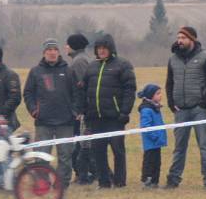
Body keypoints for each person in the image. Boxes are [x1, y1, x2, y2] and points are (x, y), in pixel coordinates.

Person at [76, 34, 136, 188]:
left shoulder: (123, 65)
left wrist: (124, 112)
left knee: (118, 151)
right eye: (99, 48)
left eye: (104, 48)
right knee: (98, 152)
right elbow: (83, 89)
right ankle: (104, 182)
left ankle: (120, 182)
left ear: (111, 49)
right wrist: (83, 109)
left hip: (115, 118)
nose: (101, 51)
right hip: (95, 118)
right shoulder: (91, 67)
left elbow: (130, 90)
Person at [164, 26, 206, 188]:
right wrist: (172, 104)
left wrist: (204, 103)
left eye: (184, 38)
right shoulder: (173, 59)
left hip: (199, 109)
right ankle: (173, 179)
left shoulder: (205, 57)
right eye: (179, 37)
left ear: (192, 39)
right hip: (181, 110)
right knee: (179, 147)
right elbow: (169, 83)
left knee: (204, 145)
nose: (180, 40)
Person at [23, 39, 76, 188]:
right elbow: (28, 93)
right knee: (41, 156)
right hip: (43, 122)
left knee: (65, 156)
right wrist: (34, 110)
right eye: (49, 50)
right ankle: (42, 183)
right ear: (44, 53)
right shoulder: (35, 71)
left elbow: (77, 93)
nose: (52, 52)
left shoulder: (68, 71)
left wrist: (74, 111)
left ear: (58, 53)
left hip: (65, 122)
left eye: (55, 50)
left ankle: (62, 184)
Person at [66, 33, 96, 184]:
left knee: (82, 145)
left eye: (68, 44)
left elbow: (82, 87)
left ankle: (87, 174)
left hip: (82, 110)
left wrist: (79, 110)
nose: (65, 47)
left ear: (73, 46)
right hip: (81, 108)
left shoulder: (79, 61)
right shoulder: (82, 58)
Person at [137, 83, 167, 188]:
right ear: (150, 96)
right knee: (149, 162)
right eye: (158, 94)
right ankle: (147, 180)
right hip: (151, 142)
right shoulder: (146, 110)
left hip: (156, 142)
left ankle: (155, 182)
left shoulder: (155, 108)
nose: (160, 96)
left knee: (157, 163)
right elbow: (146, 126)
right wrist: (155, 137)